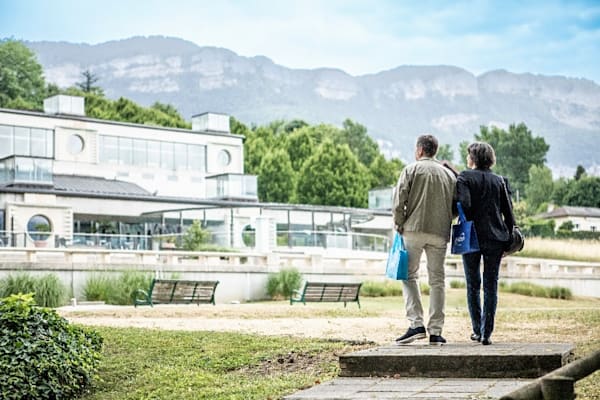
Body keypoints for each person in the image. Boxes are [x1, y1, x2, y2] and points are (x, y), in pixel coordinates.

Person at [392, 134, 457, 345]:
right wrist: (446, 218)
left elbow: (398, 200)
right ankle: (436, 331)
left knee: (409, 275)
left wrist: (399, 222)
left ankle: (416, 324)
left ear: (420, 150)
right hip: (440, 232)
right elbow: (457, 205)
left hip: (413, 229)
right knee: (437, 280)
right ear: (434, 150)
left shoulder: (411, 169)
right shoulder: (449, 176)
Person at [456, 142, 513, 345]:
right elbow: (509, 213)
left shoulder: (464, 177)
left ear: (472, 158)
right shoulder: (499, 181)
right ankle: (487, 332)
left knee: (473, 284)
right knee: (491, 284)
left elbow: (465, 204)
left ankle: (477, 330)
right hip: (496, 238)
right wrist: (508, 240)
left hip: (471, 235)